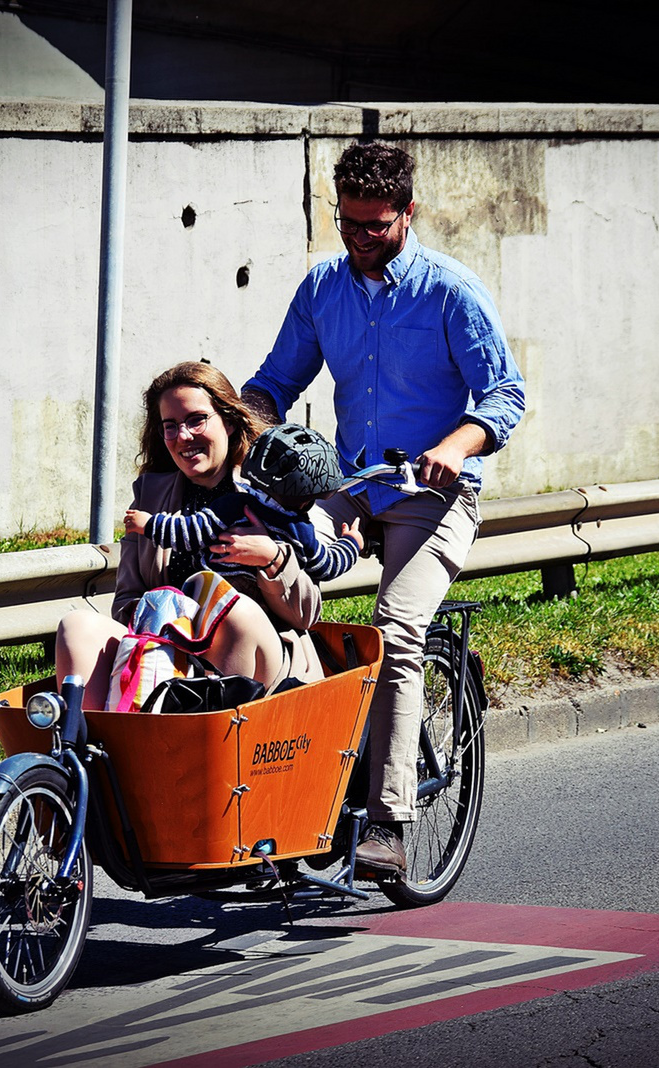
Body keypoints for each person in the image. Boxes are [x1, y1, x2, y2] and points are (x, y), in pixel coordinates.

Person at [244, 141, 525, 876]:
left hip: (432, 494)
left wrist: (457, 447)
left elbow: (504, 397)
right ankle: (288, 789)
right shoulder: (322, 290)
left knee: (397, 632)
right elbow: (274, 381)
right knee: (266, 586)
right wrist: (236, 423)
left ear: (408, 212)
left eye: (378, 225)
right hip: (350, 485)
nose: (362, 239)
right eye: (350, 223)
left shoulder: (450, 291)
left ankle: (390, 822)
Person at [54, 362, 325, 709]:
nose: (183, 436)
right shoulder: (150, 499)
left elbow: (307, 615)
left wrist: (273, 559)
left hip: (261, 662)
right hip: (164, 652)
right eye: (170, 426)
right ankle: (95, 752)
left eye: (196, 420)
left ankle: (204, 744)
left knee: (232, 611)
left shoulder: (271, 492)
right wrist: (167, 615)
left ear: (228, 421)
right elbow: (124, 603)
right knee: (77, 626)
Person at [124, 422, 365, 584]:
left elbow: (188, 533)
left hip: (213, 595)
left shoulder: (235, 504)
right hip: (260, 614)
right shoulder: (300, 528)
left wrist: (148, 524)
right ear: (308, 500)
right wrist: (351, 543)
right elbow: (326, 566)